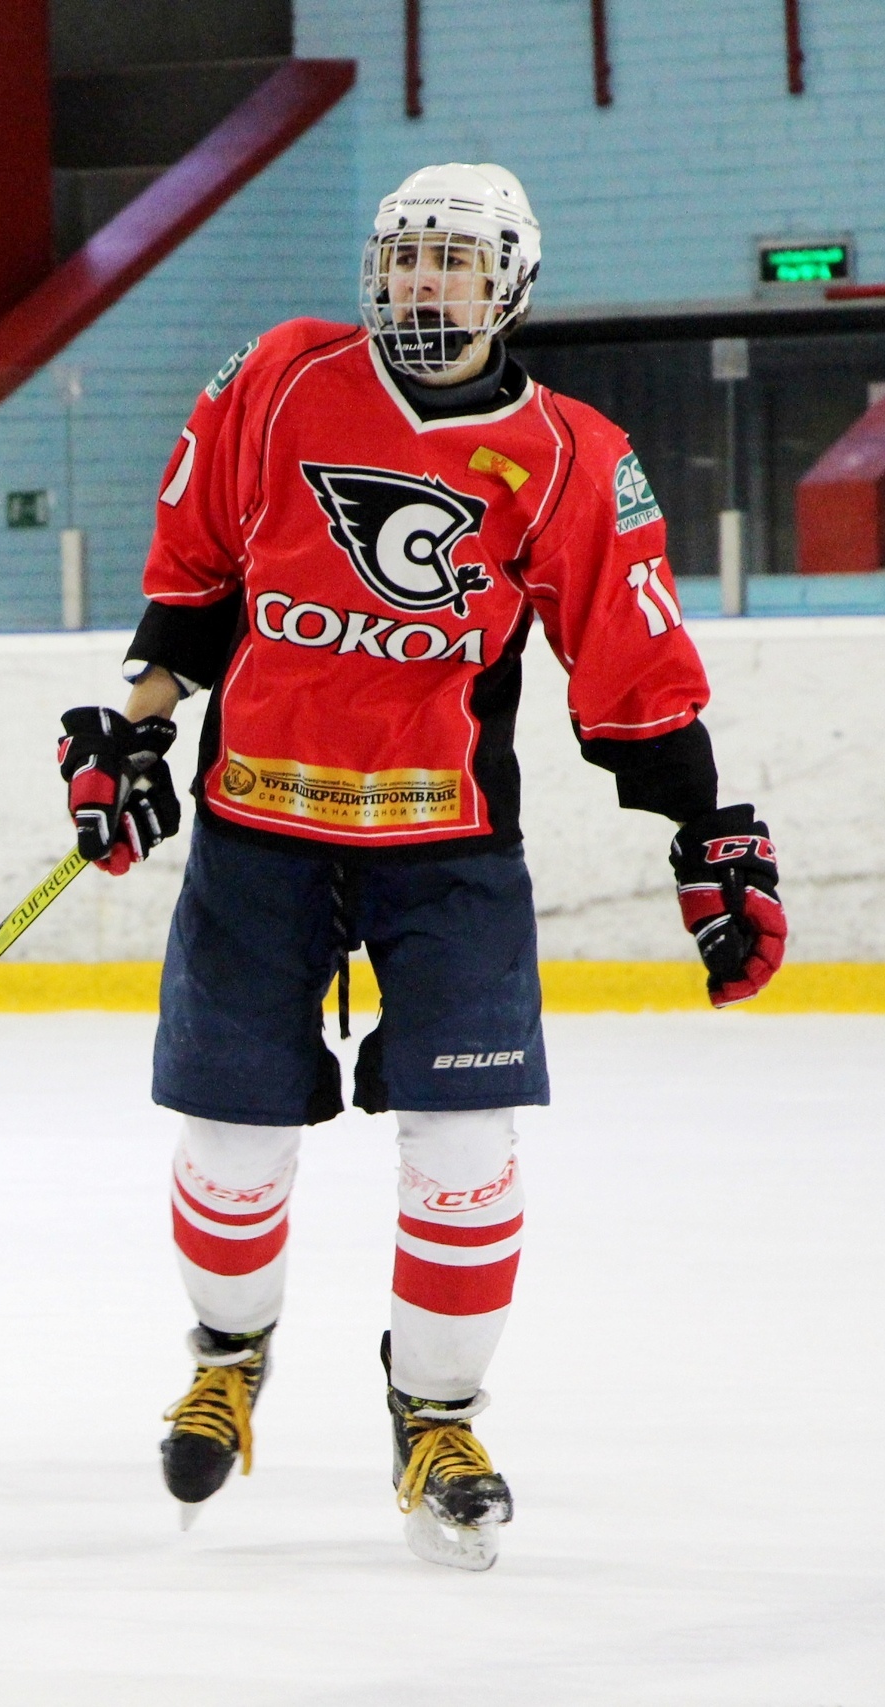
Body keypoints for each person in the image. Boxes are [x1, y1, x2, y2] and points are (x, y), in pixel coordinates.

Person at [56, 163, 786, 1571]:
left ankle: (437, 1408)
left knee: (463, 1148)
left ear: (511, 281)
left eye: (452, 262)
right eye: (401, 260)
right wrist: (133, 732)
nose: (419, 285)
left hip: (445, 849)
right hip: (258, 828)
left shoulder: (573, 451)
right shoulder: (278, 377)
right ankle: (228, 1353)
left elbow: (629, 673)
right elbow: (196, 577)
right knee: (231, 1137)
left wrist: (707, 830)